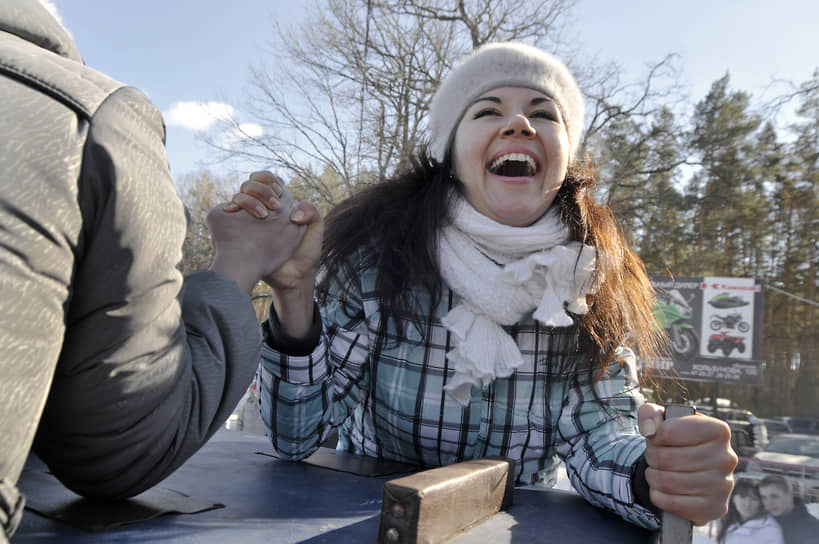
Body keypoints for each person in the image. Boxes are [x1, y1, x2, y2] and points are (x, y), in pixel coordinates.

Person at [230, 41, 736, 529]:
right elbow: (295, 437)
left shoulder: (588, 282)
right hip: (363, 525)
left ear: (565, 162)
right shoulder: (378, 262)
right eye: (488, 111)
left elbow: (601, 440)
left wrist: (659, 477)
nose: (520, 123)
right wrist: (293, 297)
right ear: (451, 156)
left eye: (544, 113)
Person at [0, 2, 310, 541]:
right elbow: (118, 446)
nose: (513, 127)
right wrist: (240, 265)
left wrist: (294, 289)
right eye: (485, 110)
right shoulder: (89, 116)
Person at [717, 479, 784, 544]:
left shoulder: (770, 530)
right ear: (733, 499)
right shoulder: (726, 522)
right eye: (742, 497)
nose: (747, 504)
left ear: (761, 503)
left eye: (754, 499)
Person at [759, 474, 819, 544]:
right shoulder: (761, 523)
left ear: (789, 495)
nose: (769, 503)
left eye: (774, 496)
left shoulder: (812, 528)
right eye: (764, 498)